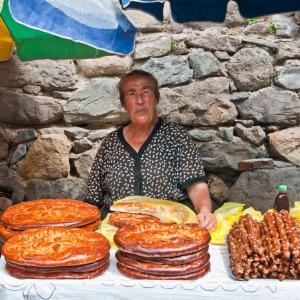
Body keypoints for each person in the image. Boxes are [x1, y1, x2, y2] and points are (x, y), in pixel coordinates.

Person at [85, 70, 216, 232]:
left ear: (156, 98)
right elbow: (92, 198)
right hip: (116, 230)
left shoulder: (176, 136)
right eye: (131, 94)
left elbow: (196, 186)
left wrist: (204, 210)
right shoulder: (111, 143)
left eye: (146, 92)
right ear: (124, 103)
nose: (139, 100)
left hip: (168, 230)